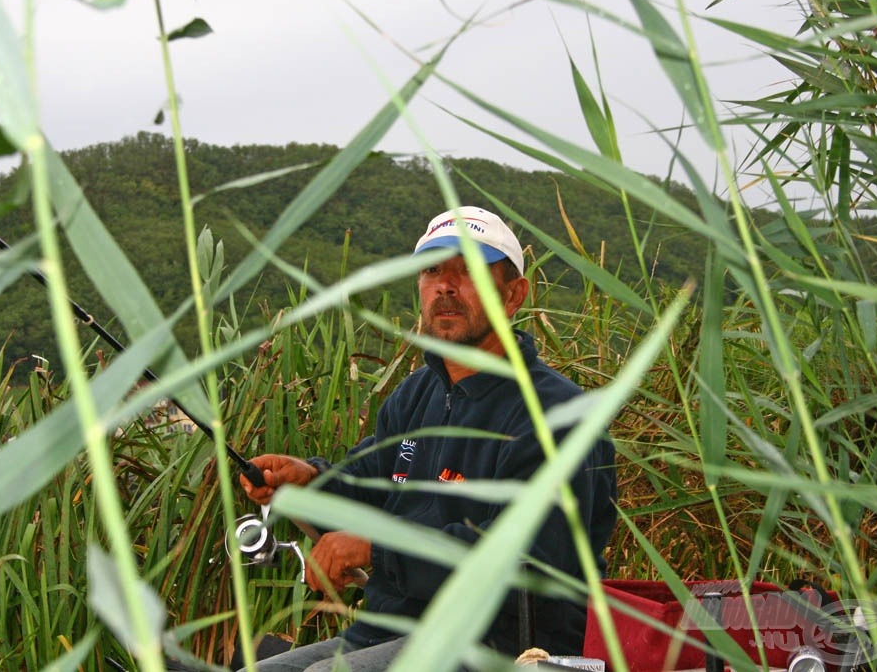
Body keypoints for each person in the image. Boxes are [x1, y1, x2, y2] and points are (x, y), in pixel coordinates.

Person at [238, 206, 617, 671]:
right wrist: (306, 478)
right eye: (432, 271)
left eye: (469, 271)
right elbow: (367, 481)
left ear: (515, 294)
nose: (446, 286)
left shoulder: (557, 415)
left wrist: (376, 548)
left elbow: (522, 561)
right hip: (390, 629)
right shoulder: (417, 394)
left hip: (499, 644)